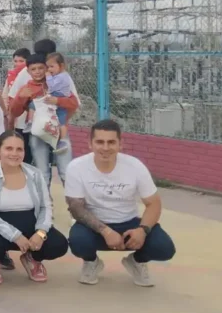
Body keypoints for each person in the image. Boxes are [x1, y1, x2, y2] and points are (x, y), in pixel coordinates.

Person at [65, 120, 175, 287]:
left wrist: (142, 230)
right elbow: (76, 209)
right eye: (100, 142)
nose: (105, 147)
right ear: (90, 143)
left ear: (120, 144)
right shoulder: (76, 167)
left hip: (129, 223)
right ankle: (91, 262)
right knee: (78, 242)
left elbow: (153, 203)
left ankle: (137, 261)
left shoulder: (135, 166)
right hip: (94, 225)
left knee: (164, 248)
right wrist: (106, 231)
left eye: (111, 142)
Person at [0, 131, 69, 284]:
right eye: (9, 148)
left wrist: (41, 233)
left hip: (31, 226)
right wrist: (15, 236)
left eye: (19, 149)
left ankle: (33, 258)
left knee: (59, 244)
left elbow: (46, 206)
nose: (14, 154)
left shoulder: (35, 174)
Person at [8, 54, 79, 183]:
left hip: (59, 132)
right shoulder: (26, 88)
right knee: (42, 173)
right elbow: (14, 112)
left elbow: (74, 104)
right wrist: (21, 98)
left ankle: (71, 195)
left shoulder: (58, 84)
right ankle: (44, 196)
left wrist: (58, 101)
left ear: (47, 68)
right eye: (33, 69)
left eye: (41, 68)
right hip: (37, 133)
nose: (37, 72)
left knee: (66, 171)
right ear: (28, 71)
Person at [45, 52, 74, 153]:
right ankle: (61, 141)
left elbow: (52, 86)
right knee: (60, 121)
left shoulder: (61, 77)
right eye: (48, 67)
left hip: (59, 97)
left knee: (61, 121)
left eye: (52, 66)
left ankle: (63, 141)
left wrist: (48, 77)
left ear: (61, 66)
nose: (49, 69)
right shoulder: (62, 75)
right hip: (60, 97)